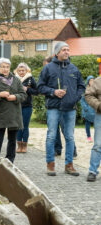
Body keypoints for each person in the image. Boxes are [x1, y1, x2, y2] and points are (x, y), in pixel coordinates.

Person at [37, 41, 85, 176]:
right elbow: (40, 87)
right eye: (64, 50)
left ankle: (69, 165)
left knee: (70, 137)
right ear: (57, 53)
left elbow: (82, 86)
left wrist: (75, 98)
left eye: (68, 50)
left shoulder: (74, 69)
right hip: (54, 107)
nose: (66, 52)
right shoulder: (48, 68)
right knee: (51, 136)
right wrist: (53, 92)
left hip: (70, 108)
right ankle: (50, 164)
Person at [0, 58, 26, 163]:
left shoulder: (15, 79)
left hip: (14, 114)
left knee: (12, 140)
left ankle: (10, 160)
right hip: (0, 113)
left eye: (7, 67)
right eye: (3, 67)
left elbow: (23, 94)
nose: (5, 69)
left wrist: (15, 97)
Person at [15, 63, 38, 153]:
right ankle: (19, 145)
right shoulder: (14, 79)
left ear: (26, 71)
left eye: (23, 70)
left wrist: (27, 89)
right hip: (16, 105)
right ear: (17, 71)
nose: (21, 72)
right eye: (19, 70)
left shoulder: (30, 79)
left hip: (27, 106)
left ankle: (24, 145)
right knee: (18, 126)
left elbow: (37, 91)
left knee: (25, 125)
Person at [85, 76, 101, 182]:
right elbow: (88, 95)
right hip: (100, 115)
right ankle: (92, 171)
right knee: (98, 144)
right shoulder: (98, 81)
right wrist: (99, 105)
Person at [81, 75, 95, 143]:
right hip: (87, 110)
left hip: (94, 110)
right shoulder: (85, 90)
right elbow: (82, 100)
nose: (92, 82)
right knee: (87, 124)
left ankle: (97, 137)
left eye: (93, 80)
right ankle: (88, 137)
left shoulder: (96, 89)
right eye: (90, 80)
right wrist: (85, 108)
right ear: (88, 82)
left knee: (97, 124)